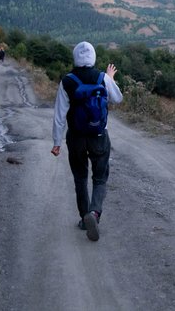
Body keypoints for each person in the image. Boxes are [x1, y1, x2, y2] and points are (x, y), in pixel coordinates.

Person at [51, 41, 123, 241]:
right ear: (93, 57)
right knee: (100, 178)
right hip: (99, 136)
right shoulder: (102, 78)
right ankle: (95, 213)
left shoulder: (67, 81)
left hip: (75, 137)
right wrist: (109, 79)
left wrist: (56, 143)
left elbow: (59, 115)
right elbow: (118, 99)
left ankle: (84, 219)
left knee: (80, 178)